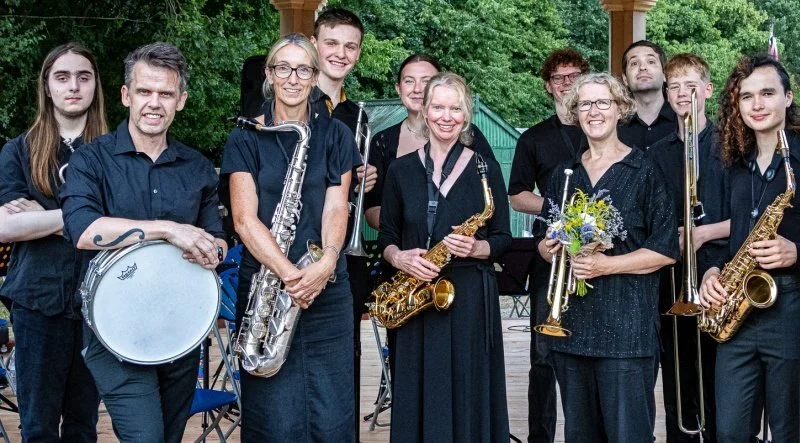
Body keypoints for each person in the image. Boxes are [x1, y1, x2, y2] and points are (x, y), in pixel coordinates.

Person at [60, 42, 227, 442]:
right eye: (144, 91)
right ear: (125, 95)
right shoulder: (91, 160)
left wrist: (211, 252)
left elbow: (219, 243)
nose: (154, 103)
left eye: (166, 93)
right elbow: (84, 231)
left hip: (180, 331)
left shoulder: (197, 167)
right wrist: (167, 228)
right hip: (113, 332)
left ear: (181, 100)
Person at [221, 33, 359, 441]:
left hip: (326, 285)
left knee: (332, 410)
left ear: (315, 77)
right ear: (269, 74)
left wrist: (327, 261)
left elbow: (338, 206)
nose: (294, 79)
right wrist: (288, 274)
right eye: (284, 68)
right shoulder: (245, 137)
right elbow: (245, 220)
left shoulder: (335, 135)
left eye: (304, 69)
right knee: (274, 417)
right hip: (268, 282)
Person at [536, 72, 678, 441]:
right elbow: (543, 240)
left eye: (603, 103)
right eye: (585, 104)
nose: (594, 111)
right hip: (571, 330)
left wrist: (607, 265)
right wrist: (549, 249)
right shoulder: (564, 175)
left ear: (620, 109)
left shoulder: (645, 170)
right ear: (574, 112)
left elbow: (666, 249)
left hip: (627, 333)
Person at [378, 72, 511, 442]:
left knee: (470, 386)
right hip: (418, 294)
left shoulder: (484, 168)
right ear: (423, 108)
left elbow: (501, 237)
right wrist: (400, 258)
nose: (446, 116)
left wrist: (478, 247)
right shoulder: (401, 171)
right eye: (438, 106)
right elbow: (386, 237)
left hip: (470, 296)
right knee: (419, 388)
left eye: (455, 108)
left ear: (466, 115)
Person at [0, 42, 105, 442]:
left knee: (83, 425)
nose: (73, 86)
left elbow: (125, 226)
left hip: (99, 304)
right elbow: (5, 229)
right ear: (47, 87)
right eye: (62, 77)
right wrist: (86, 220)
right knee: (39, 425)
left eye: (84, 76)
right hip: (36, 303)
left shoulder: (115, 152)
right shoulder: (19, 151)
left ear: (96, 85)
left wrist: (37, 217)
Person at [699, 55, 800, 443]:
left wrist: (797, 251)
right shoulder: (731, 162)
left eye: (768, 93)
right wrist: (711, 272)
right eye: (746, 96)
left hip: (790, 308)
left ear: (788, 98)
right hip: (737, 311)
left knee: (789, 431)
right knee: (730, 432)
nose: (757, 105)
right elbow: (722, 236)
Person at [507, 47, 589, 443]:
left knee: (590, 351)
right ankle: (541, 437)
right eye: (559, 78)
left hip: (596, 256)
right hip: (551, 252)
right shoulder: (534, 137)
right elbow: (517, 195)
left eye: (575, 76)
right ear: (547, 86)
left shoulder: (605, 126)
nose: (567, 84)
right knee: (542, 356)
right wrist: (561, 210)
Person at [648, 53, 728, 443]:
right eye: (674, 86)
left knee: (719, 376)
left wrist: (702, 233)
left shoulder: (730, 146)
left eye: (691, 85)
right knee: (677, 375)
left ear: (708, 91)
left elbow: (750, 216)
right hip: (672, 275)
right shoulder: (656, 154)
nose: (682, 93)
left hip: (722, 275)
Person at [309, 11, 376, 432]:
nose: (341, 53)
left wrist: (367, 178)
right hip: (295, 249)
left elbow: (355, 191)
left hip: (344, 254)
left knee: (344, 356)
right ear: (315, 44)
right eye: (332, 43)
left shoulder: (358, 116)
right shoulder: (288, 99)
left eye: (350, 46)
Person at [618, 40, 677, 151]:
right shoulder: (614, 126)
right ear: (625, 79)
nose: (642, 67)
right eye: (634, 63)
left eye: (650, 61)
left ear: (665, 74)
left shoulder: (683, 121)